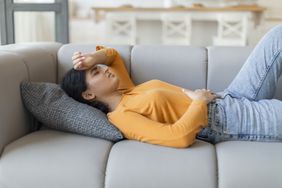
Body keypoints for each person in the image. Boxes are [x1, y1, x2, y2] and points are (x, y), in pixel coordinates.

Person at [61, 25, 282, 148]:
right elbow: (177, 137)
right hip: (225, 121)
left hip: (227, 97)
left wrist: (92, 58)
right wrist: (198, 102)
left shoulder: (125, 89)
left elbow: (112, 55)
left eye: (99, 67)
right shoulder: (122, 117)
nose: (104, 68)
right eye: (95, 72)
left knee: (277, 36)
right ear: (89, 94)